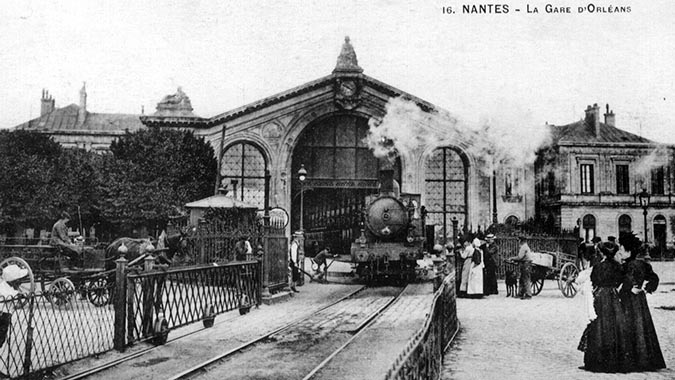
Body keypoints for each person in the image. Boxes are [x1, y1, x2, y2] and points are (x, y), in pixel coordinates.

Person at [617, 232, 666, 372]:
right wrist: (646, 288)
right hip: (640, 300)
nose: (620, 252)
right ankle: (645, 359)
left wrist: (628, 289)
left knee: (628, 326)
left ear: (629, 250)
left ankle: (631, 360)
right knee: (641, 327)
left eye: (622, 249)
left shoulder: (627, 266)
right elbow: (654, 278)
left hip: (627, 300)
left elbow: (625, 281)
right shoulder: (643, 264)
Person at [583, 242, 630, 373]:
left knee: (599, 325)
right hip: (614, 296)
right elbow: (622, 280)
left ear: (603, 253)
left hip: (601, 296)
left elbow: (594, 280)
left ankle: (597, 361)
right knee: (615, 325)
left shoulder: (598, 266)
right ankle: (616, 361)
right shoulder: (618, 266)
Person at [510, 236, 533, 300]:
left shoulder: (524, 247)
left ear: (521, 241)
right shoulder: (524, 246)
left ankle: (528, 294)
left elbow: (520, 257)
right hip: (524, 264)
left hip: (526, 264)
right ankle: (521, 293)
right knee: (522, 279)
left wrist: (512, 258)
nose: (518, 242)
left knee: (526, 279)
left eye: (519, 240)